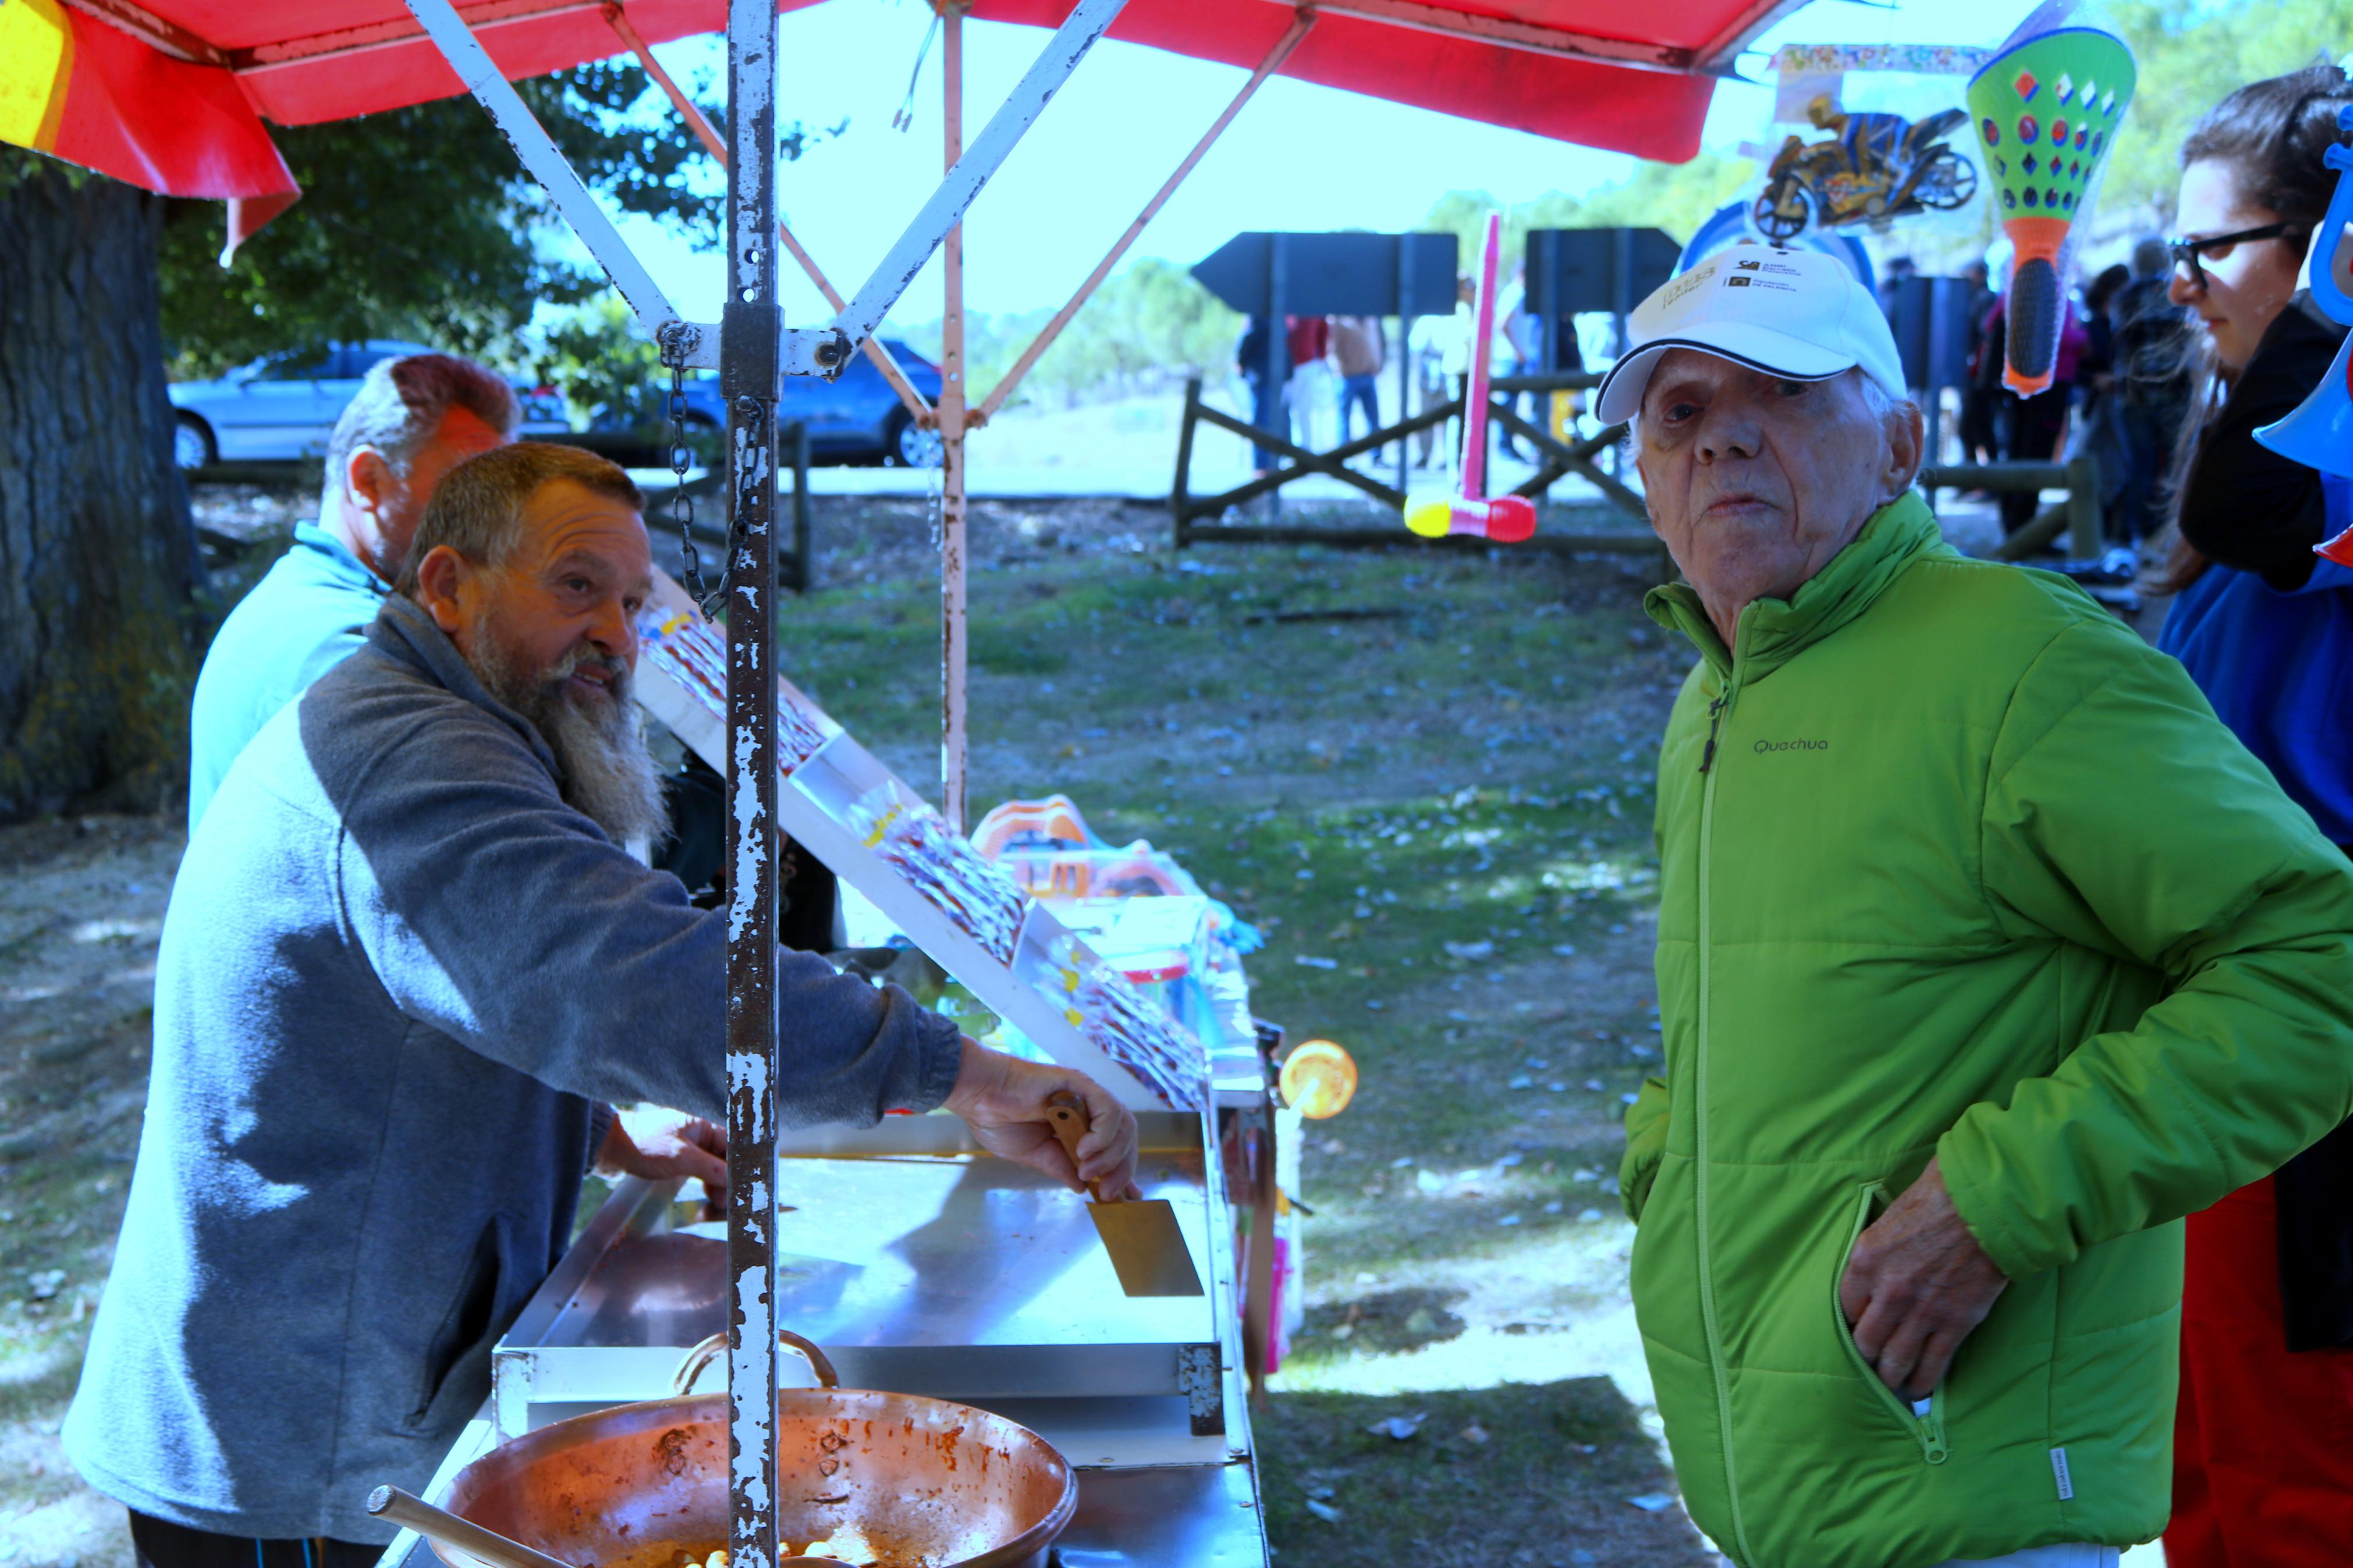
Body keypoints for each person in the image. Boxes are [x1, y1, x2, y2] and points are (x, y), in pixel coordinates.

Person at [64, 442, 1142, 1566]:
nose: (617, 637)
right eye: (576, 586)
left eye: (630, 602)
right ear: (447, 586)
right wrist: (961, 1073)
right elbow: (637, 974)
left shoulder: (449, 723)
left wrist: (600, 1129)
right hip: (283, 1432)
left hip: (323, 1380)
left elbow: (443, 1004)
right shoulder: (408, 754)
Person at [1593, 245, 2353, 1568]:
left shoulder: (2024, 658)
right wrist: (1669, 1163)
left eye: (1775, 391)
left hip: (1972, 1495)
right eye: (1678, 411)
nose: (1720, 440)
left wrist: (1993, 1204)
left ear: (1896, 443)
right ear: (1645, 479)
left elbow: (2318, 966)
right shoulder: (1709, 696)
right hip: (1783, 1476)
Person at [2145, 66, 2353, 1567]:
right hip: (2214, 1070)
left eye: (2213, 248)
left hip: (2311, 1078)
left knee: (2300, 1495)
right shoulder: (2256, 498)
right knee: (2204, 1483)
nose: (2178, 283)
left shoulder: (2308, 485)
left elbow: (2256, 500)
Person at [186, 354, 513, 827]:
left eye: (504, 501)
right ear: (368, 481)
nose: (496, 528)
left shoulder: (297, 594)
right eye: (466, 494)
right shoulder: (346, 649)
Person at [1982, 285, 2091, 536]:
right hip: (2048, 386)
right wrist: (2083, 335)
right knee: (2036, 452)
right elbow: (2064, 338)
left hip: (2018, 384)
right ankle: (2025, 530)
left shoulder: (2012, 291)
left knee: (2017, 450)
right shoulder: (2053, 293)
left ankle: (2014, 524)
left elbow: (1989, 325)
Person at [2109, 236, 2193, 543]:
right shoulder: (2178, 290)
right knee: (2176, 466)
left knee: (2138, 467)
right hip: (2176, 390)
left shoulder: (2124, 296)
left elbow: (2117, 339)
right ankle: (2174, 536)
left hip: (2134, 393)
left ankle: (2139, 536)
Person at [1958, 259, 2001, 467]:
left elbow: (1986, 337)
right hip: (1974, 376)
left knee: (1978, 426)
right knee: (1969, 428)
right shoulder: (1973, 298)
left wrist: (1981, 372)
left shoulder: (1985, 299)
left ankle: (1989, 480)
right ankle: (1973, 480)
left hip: (1981, 378)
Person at [1328, 314, 1385, 451]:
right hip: (1348, 378)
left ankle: (1377, 454)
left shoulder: (1372, 319)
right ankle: (1344, 454)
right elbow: (1332, 349)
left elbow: (1379, 343)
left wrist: (1378, 364)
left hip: (1369, 375)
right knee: (1344, 418)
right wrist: (1339, 371)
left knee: (1373, 417)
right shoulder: (1340, 320)